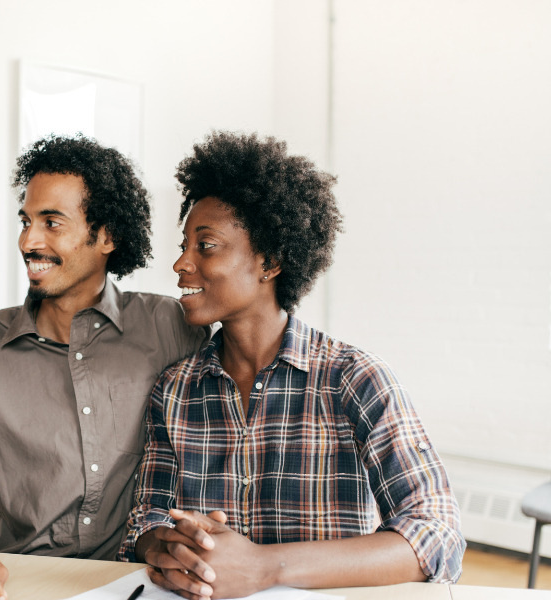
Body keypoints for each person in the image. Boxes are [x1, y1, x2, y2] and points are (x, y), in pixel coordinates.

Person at [119, 132, 465, 599]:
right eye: (184, 245)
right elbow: (146, 521)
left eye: (206, 246)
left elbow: (436, 535)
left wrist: (266, 566)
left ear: (270, 261)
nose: (180, 263)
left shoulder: (355, 379)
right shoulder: (175, 388)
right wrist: (171, 547)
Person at [0, 135, 211, 600]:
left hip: (141, 585)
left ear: (106, 236)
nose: (29, 240)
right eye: (26, 221)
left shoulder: (170, 326)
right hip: (15, 585)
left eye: (52, 222)